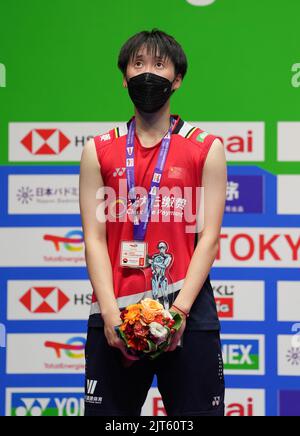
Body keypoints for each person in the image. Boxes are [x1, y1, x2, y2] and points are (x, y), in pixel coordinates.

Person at [79, 29, 227, 417]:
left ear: (177, 79)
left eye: (159, 65)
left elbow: (209, 240)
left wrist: (178, 313)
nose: (148, 74)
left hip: (187, 313)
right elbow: (94, 240)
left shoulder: (206, 148)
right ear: (124, 77)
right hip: (114, 314)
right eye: (138, 64)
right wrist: (111, 316)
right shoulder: (97, 150)